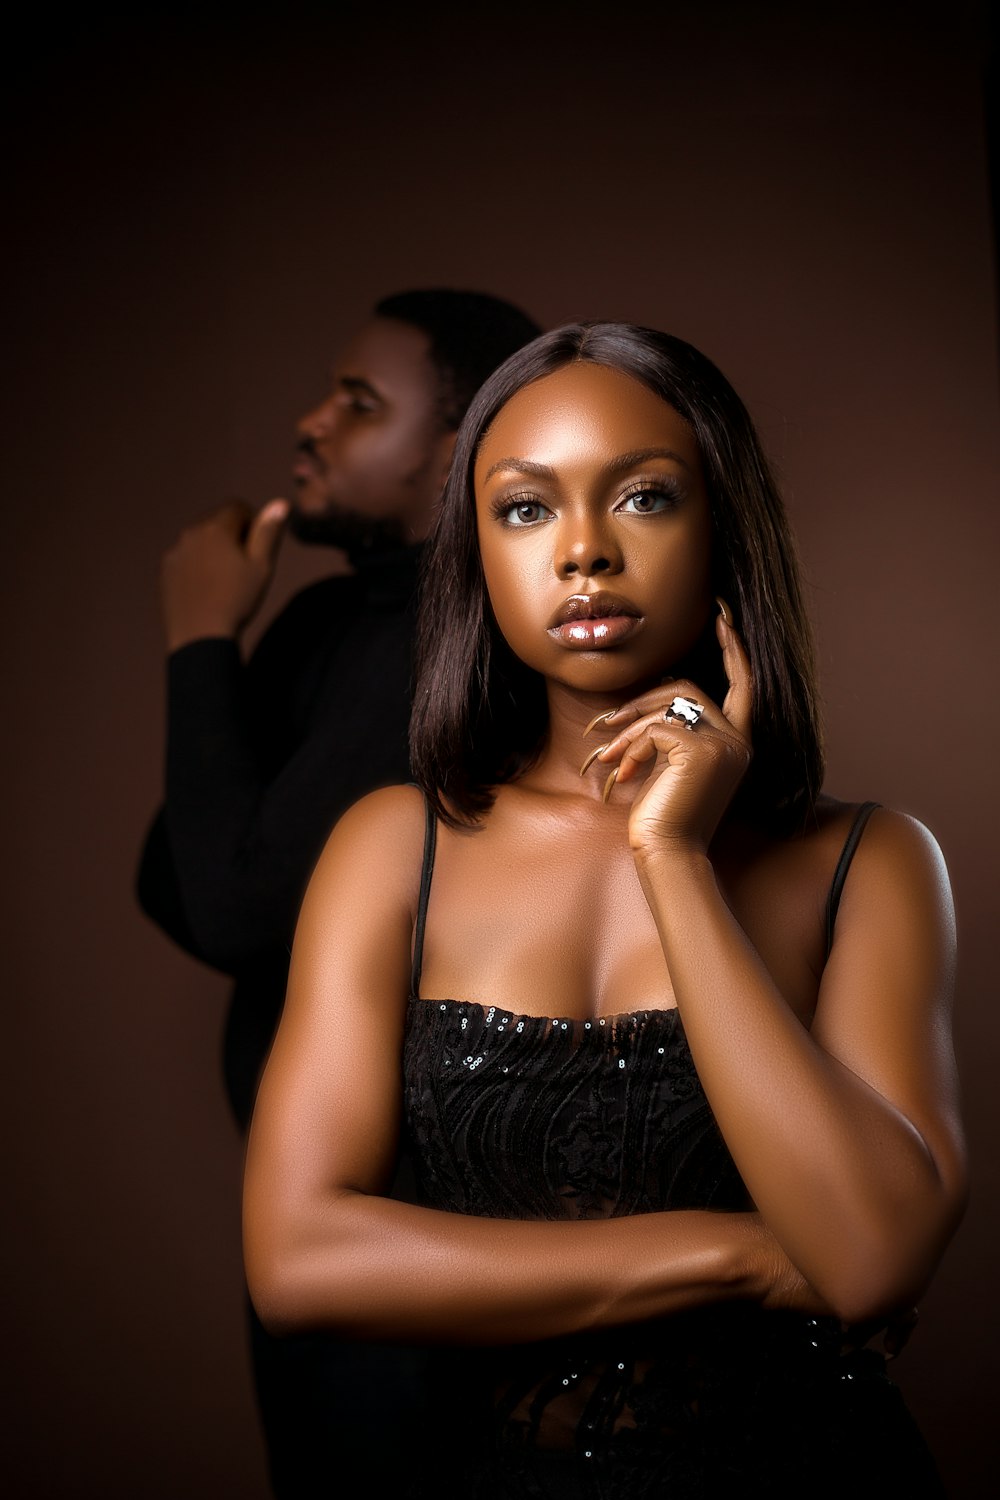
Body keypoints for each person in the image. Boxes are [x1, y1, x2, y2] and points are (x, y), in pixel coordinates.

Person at [242, 322, 967, 1497]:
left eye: (641, 497)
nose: (584, 552)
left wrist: (671, 857)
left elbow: (872, 1257)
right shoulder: (393, 849)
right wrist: (736, 1257)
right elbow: (296, 1258)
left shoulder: (869, 861)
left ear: (723, 523)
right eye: (526, 509)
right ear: (474, 549)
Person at [135, 288, 543, 1494]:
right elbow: (176, 875)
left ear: (458, 443)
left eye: (358, 403)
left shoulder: (457, 640)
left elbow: (227, 905)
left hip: (415, 1245)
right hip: (316, 1227)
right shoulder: (322, 623)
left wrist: (198, 637)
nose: (308, 422)